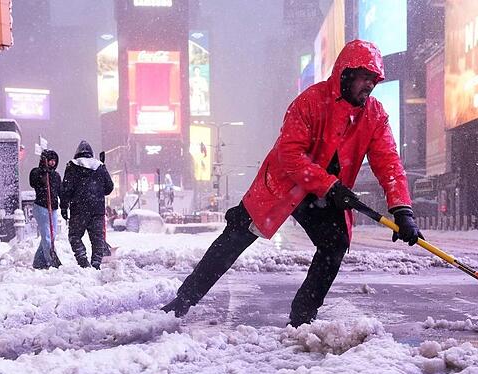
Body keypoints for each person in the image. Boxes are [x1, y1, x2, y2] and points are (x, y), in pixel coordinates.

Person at [162, 40, 420, 326]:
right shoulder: (310, 101)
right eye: (364, 77)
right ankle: (184, 300)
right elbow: (290, 155)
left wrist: (402, 210)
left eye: (374, 80)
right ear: (346, 74)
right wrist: (330, 185)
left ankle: (302, 318)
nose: (369, 85)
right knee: (235, 238)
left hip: (324, 195)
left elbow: (389, 164)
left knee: (334, 245)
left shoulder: (374, 115)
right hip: (283, 185)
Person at [60, 140, 114, 269]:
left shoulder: (72, 166)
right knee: (97, 239)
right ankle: (96, 264)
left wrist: (64, 206)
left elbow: (66, 189)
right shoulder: (100, 166)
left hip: (78, 210)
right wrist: (98, 190)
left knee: (74, 236)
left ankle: (83, 262)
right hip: (97, 210)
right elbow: (109, 187)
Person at [28, 149, 62, 269]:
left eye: (54, 161)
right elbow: (32, 182)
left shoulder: (56, 176)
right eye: (50, 160)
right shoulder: (36, 172)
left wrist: (64, 205)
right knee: (47, 236)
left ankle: (38, 262)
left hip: (52, 208)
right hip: (41, 208)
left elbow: (60, 191)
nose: (52, 163)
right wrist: (43, 172)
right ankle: (52, 261)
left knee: (51, 236)